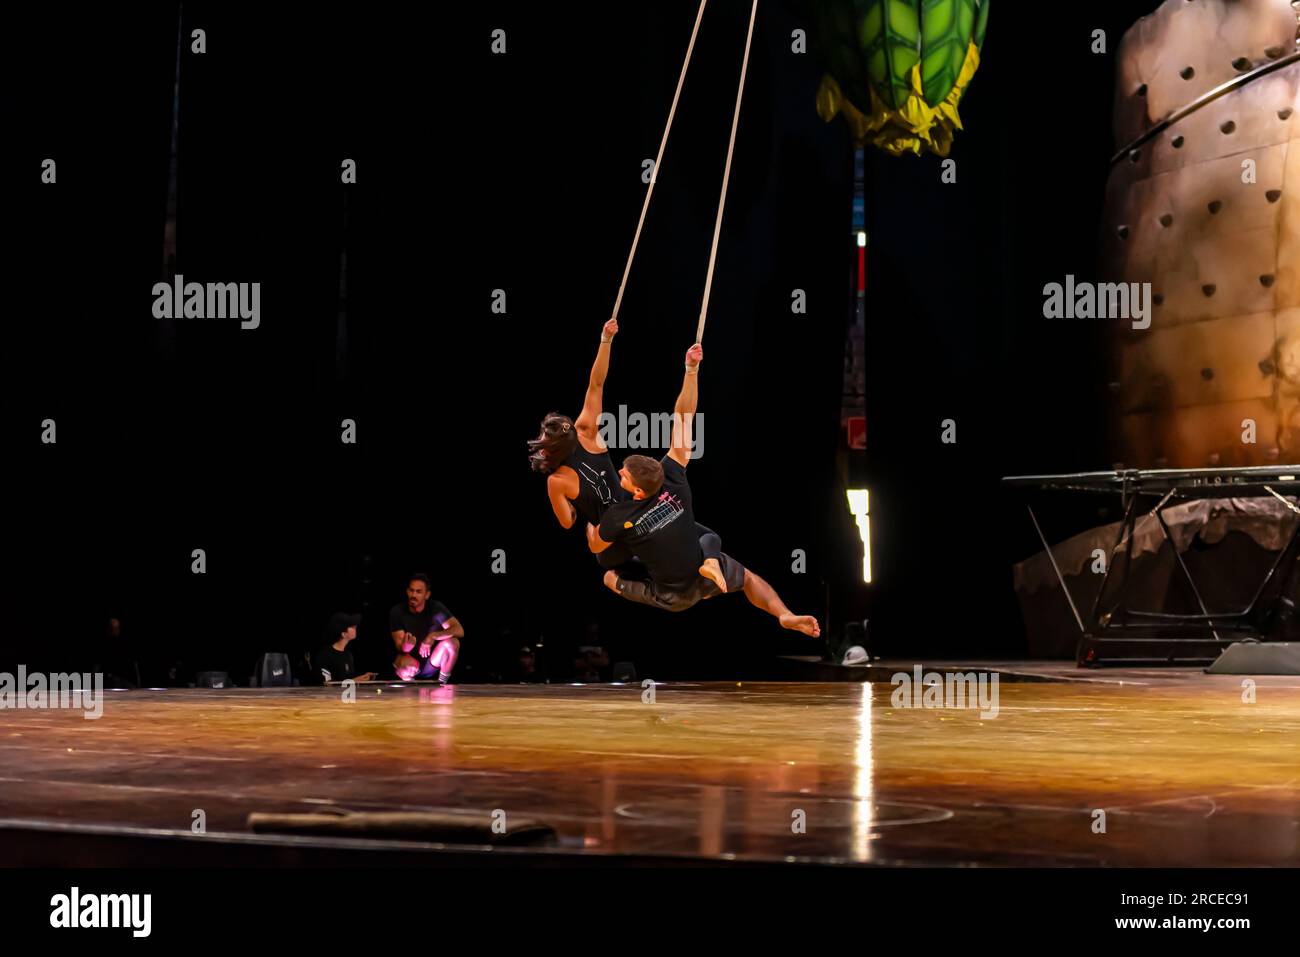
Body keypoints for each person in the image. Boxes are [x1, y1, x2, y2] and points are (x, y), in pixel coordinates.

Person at [588, 343, 820, 636]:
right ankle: (785, 615)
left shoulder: (619, 514)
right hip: (699, 570)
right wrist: (691, 370)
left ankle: (701, 564)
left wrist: (592, 524)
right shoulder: (672, 478)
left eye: (623, 476)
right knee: (746, 576)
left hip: (672, 596)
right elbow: (684, 416)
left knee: (609, 577)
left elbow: (597, 546)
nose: (619, 473)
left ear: (637, 493)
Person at [527, 317, 722, 580]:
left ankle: (644, 569)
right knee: (706, 534)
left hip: (611, 538)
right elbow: (597, 383)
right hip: (637, 507)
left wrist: (580, 514)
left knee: (603, 559)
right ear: (571, 431)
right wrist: (606, 341)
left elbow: (566, 521)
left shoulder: (557, 481)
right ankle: (703, 561)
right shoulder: (587, 431)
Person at [388, 573, 464, 683]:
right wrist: (406, 647)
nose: (413, 595)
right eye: (411, 590)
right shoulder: (397, 612)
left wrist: (433, 636)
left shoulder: (435, 608)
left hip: (433, 660)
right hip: (412, 662)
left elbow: (459, 630)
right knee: (401, 661)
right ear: (407, 591)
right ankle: (410, 687)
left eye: (418, 592)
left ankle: (442, 683)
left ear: (427, 595)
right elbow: (400, 647)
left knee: (453, 643)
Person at [315, 612, 376, 684]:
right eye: (352, 626)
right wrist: (354, 681)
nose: (355, 627)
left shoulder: (347, 654)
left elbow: (346, 678)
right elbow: (327, 685)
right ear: (343, 634)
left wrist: (363, 677)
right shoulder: (325, 656)